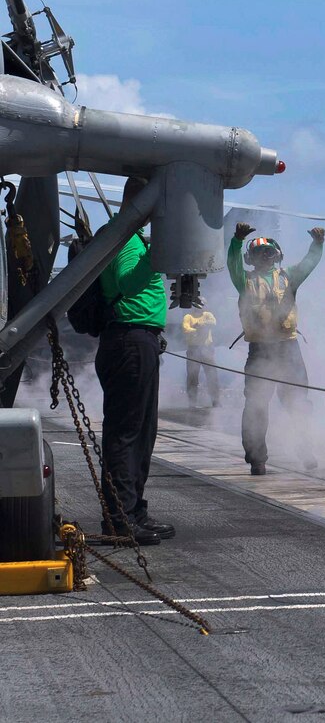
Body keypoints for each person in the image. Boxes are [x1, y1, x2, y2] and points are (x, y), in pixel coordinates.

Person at [96, 177, 174, 544]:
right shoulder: (125, 237)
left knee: (142, 433)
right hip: (129, 339)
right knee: (127, 433)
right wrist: (156, 253)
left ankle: (132, 510)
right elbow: (127, 283)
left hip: (137, 340)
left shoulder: (128, 235)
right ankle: (120, 517)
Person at [228, 222, 324, 475]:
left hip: (288, 349)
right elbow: (233, 266)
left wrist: (317, 244)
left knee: (298, 403)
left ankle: (306, 450)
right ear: (251, 258)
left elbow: (309, 264)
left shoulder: (288, 277)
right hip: (260, 350)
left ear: (277, 255)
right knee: (257, 406)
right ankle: (257, 459)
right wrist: (237, 240)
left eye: (269, 252)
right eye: (260, 253)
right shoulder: (244, 281)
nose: (265, 256)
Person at [181, 309, 220, 408]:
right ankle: (192, 402)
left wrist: (200, 323)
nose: (199, 309)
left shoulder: (207, 314)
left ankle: (215, 401)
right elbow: (185, 328)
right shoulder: (188, 317)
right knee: (192, 377)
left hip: (207, 349)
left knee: (212, 376)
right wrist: (196, 329)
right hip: (193, 350)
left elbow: (213, 322)